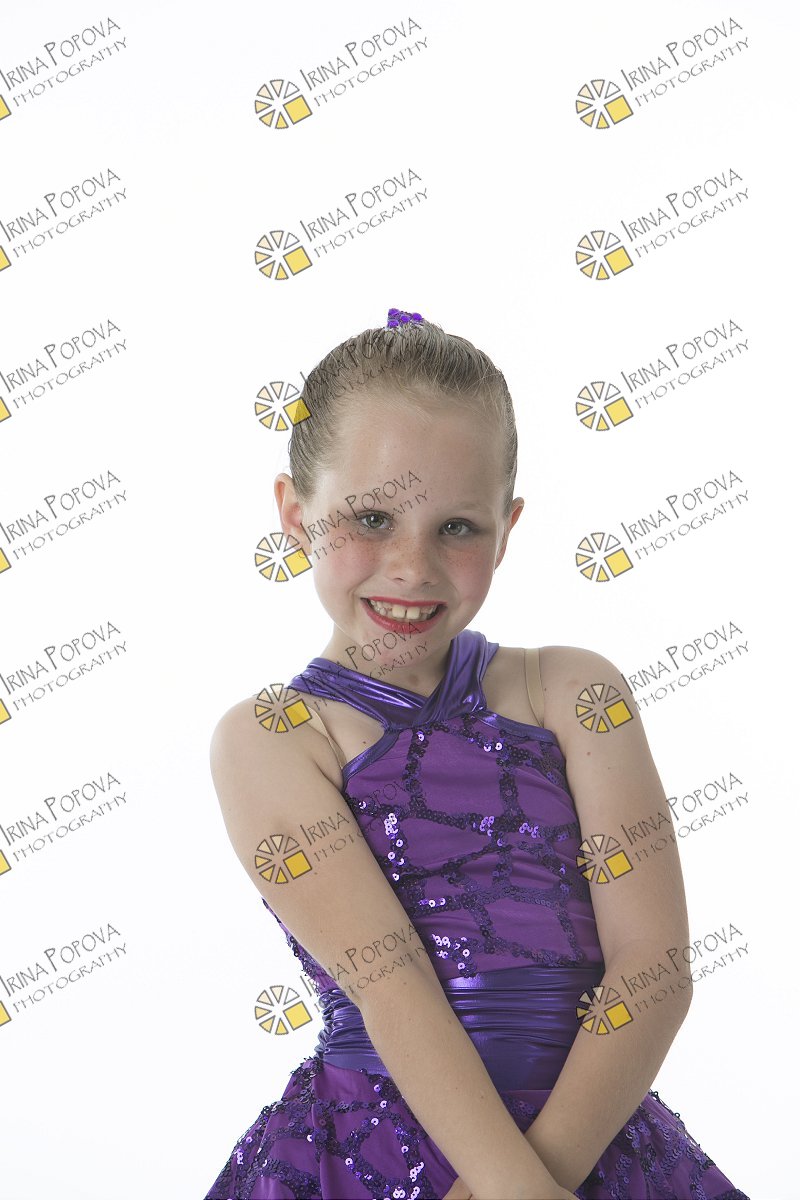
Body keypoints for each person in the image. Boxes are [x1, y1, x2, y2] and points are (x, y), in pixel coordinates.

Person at [204, 309, 749, 1200]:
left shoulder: (575, 692)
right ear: (296, 516)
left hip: (594, 1141)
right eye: (371, 517)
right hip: (368, 1152)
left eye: (457, 527)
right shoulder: (272, 738)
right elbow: (393, 987)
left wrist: (539, 1181)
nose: (411, 566)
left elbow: (653, 966)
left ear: (508, 524)